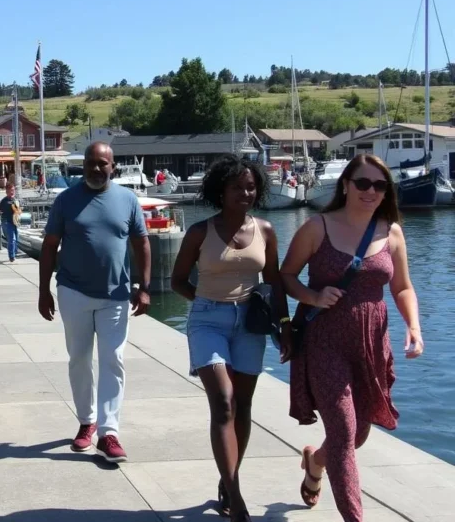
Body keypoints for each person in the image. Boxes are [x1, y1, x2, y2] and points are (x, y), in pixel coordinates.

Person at [280, 154, 424, 522]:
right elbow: (286, 276)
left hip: (371, 344)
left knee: (357, 432)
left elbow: (403, 286)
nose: (371, 191)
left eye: (379, 185)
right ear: (345, 184)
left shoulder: (390, 231)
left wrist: (414, 328)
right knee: (344, 432)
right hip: (324, 341)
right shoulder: (317, 227)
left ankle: (315, 463)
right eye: (363, 183)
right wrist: (313, 296)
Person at [170, 155, 286, 522]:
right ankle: (236, 498)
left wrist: (285, 326)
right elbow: (178, 280)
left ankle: (228, 478)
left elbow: (275, 282)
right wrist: (206, 304)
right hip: (208, 321)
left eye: (251, 186)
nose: (246, 192)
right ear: (221, 190)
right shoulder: (200, 232)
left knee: (244, 407)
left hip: (250, 323)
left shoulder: (266, 230)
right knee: (223, 401)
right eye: (237, 187)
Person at [37, 141, 151, 463]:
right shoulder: (66, 200)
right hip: (73, 292)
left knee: (113, 358)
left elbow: (141, 243)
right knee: (79, 359)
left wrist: (143, 287)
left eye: (103, 163)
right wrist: (43, 289)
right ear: (83, 164)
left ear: (112, 166)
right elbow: (49, 247)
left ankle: (109, 432)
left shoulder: (128, 200)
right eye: (91, 162)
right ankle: (87, 422)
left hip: (116, 294)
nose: (97, 168)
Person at [0, 184, 20, 263]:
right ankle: (11, 256)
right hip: (7, 222)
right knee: (12, 239)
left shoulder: (15, 200)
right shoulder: (4, 201)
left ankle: (14, 252)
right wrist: (0, 212)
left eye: (13, 190)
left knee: (16, 239)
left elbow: (18, 210)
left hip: (15, 222)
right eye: (11, 190)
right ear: (7, 191)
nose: (12, 192)